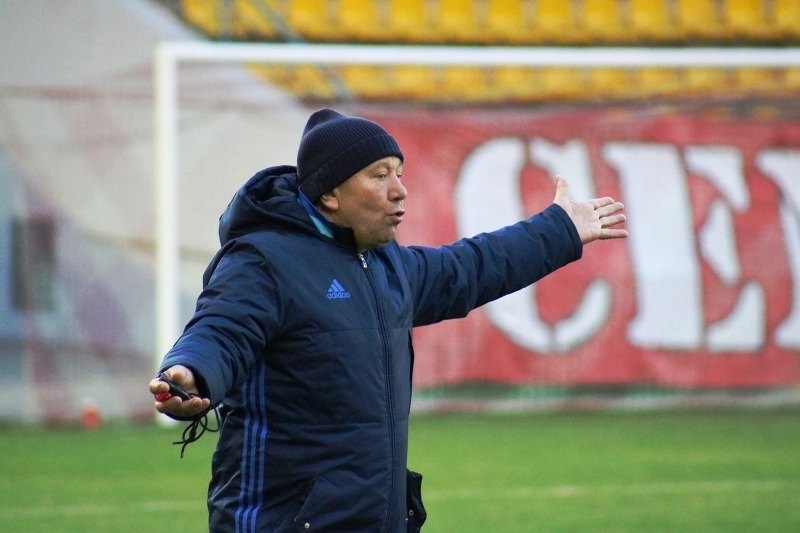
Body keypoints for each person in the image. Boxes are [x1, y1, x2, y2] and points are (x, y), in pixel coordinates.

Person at [149, 108, 627, 532]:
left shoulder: (386, 265)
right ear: (331, 193)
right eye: (379, 175)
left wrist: (560, 229)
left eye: (399, 173)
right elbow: (221, 330)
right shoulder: (263, 262)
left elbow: (472, 267)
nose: (400, 190)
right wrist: (190, 373)